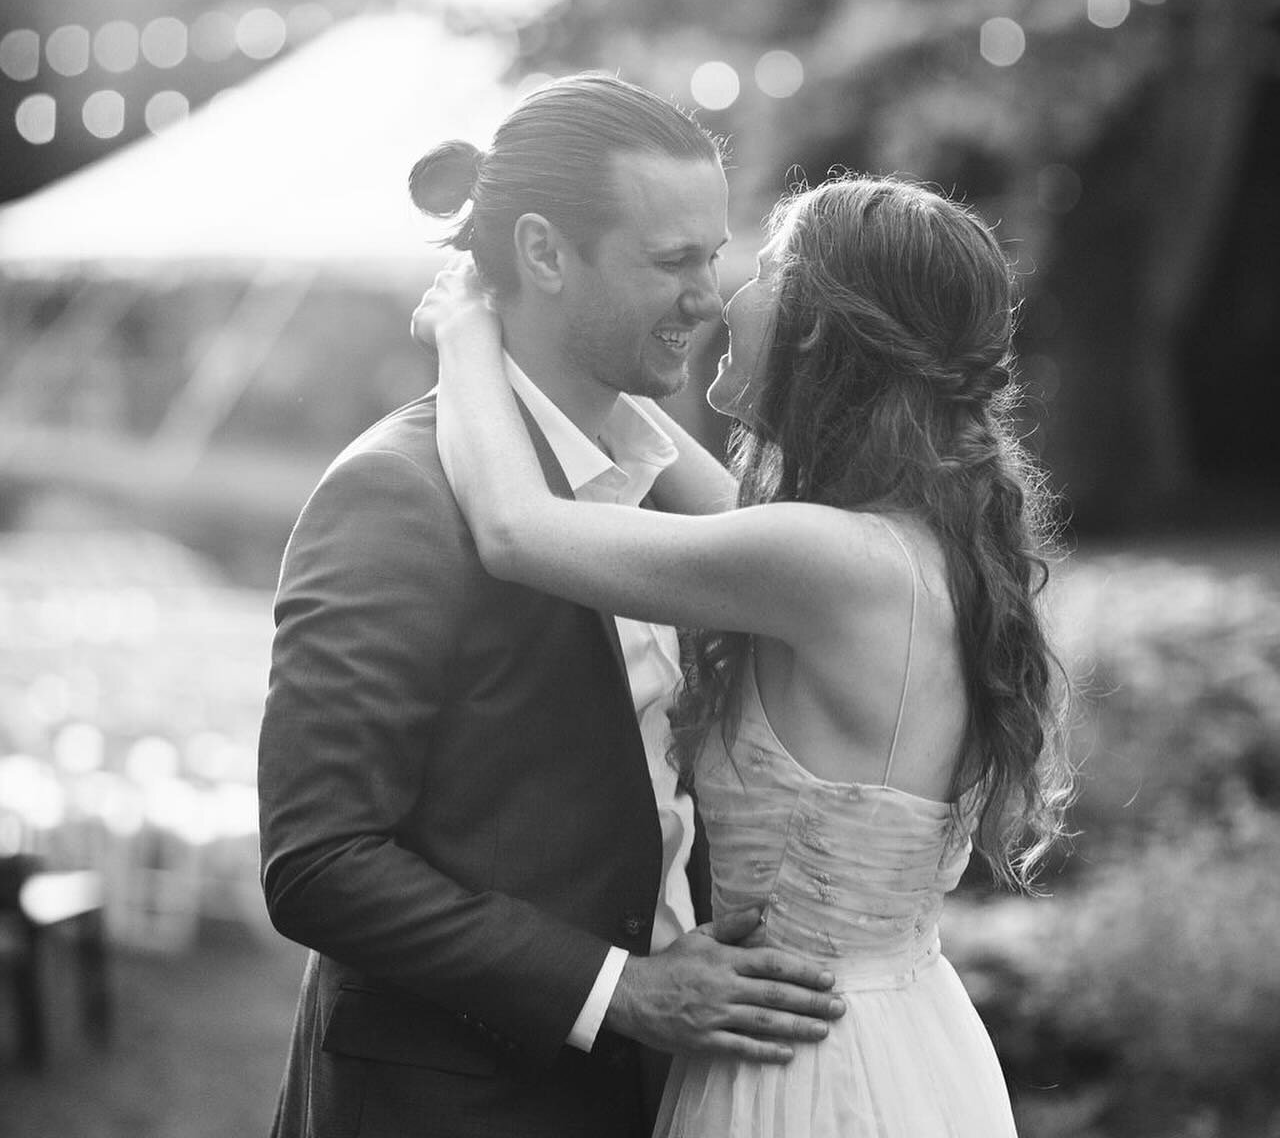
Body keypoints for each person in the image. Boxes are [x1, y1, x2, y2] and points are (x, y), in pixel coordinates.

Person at [413, 172, 1074, 1138]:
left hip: (809, 1081)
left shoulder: (820, 560)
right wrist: (562, 337)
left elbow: (517, 531)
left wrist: (465, 332)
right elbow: (687, 474)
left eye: (763, 270)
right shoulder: (902, 543)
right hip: (894, 1044)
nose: (724, 297)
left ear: (820, 326)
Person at [257, 73, 843, 1138]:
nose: (709, 297)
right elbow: (318, 862)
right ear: (540, 253)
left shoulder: (663, 477)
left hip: (661, 1095)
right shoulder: (393, 493)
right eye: (670, 261)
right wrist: (618, 989)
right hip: (450, 1106)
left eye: (709, 255)